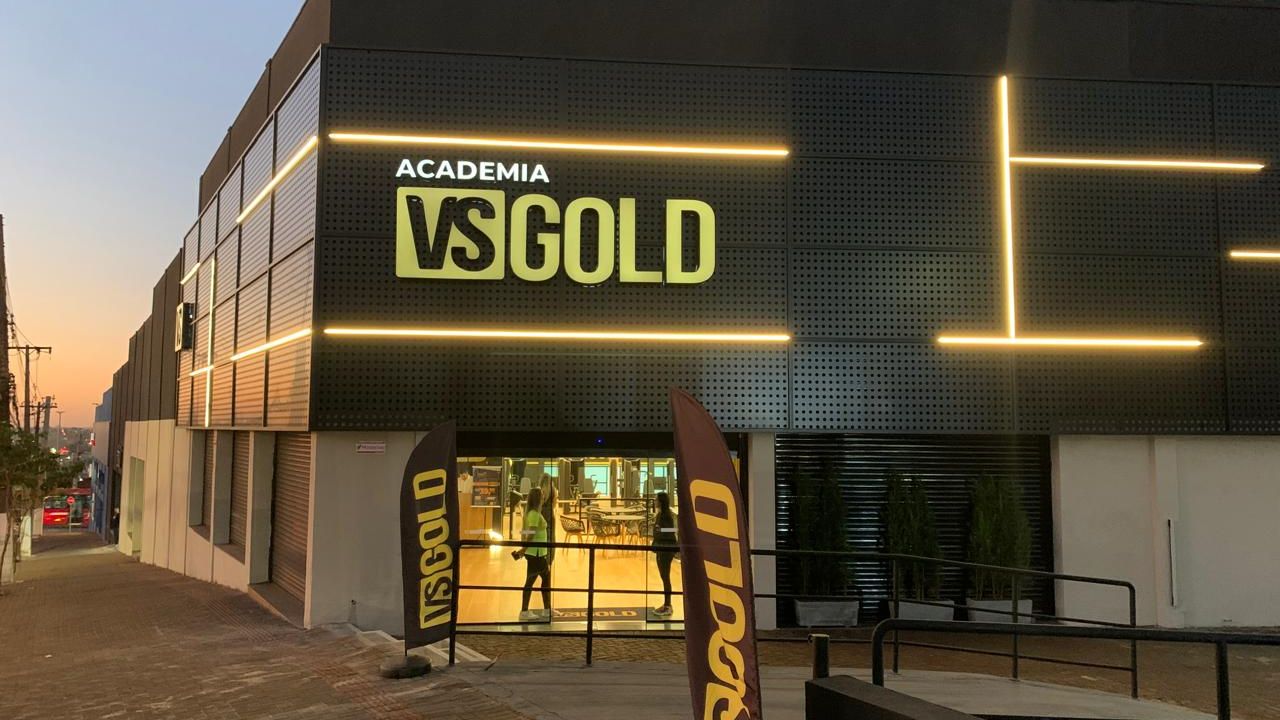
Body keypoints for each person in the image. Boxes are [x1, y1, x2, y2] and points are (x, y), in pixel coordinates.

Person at [512, 487, 551, 621]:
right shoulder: (534, 514)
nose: (544, 497)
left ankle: (546, 609)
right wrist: (523, 550)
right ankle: (526, 611)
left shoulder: (533, 513)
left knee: (542, 580)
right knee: (535, 581)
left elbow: (526, 532)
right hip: (536, 553)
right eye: (542, 495)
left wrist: (523, 549)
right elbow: (531, 534)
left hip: (537, 553)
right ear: (538, 498)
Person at [651, 492, 678, 617]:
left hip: (666, 549)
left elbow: (673, 529)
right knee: (664, 577)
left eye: (656, 499)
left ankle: (668, 606)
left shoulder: (667, 515)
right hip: (660, 548)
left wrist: (659, 530)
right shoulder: (660, 514)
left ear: (661, 501)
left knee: (665, 577)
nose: (655, 501)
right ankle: (667, 604)